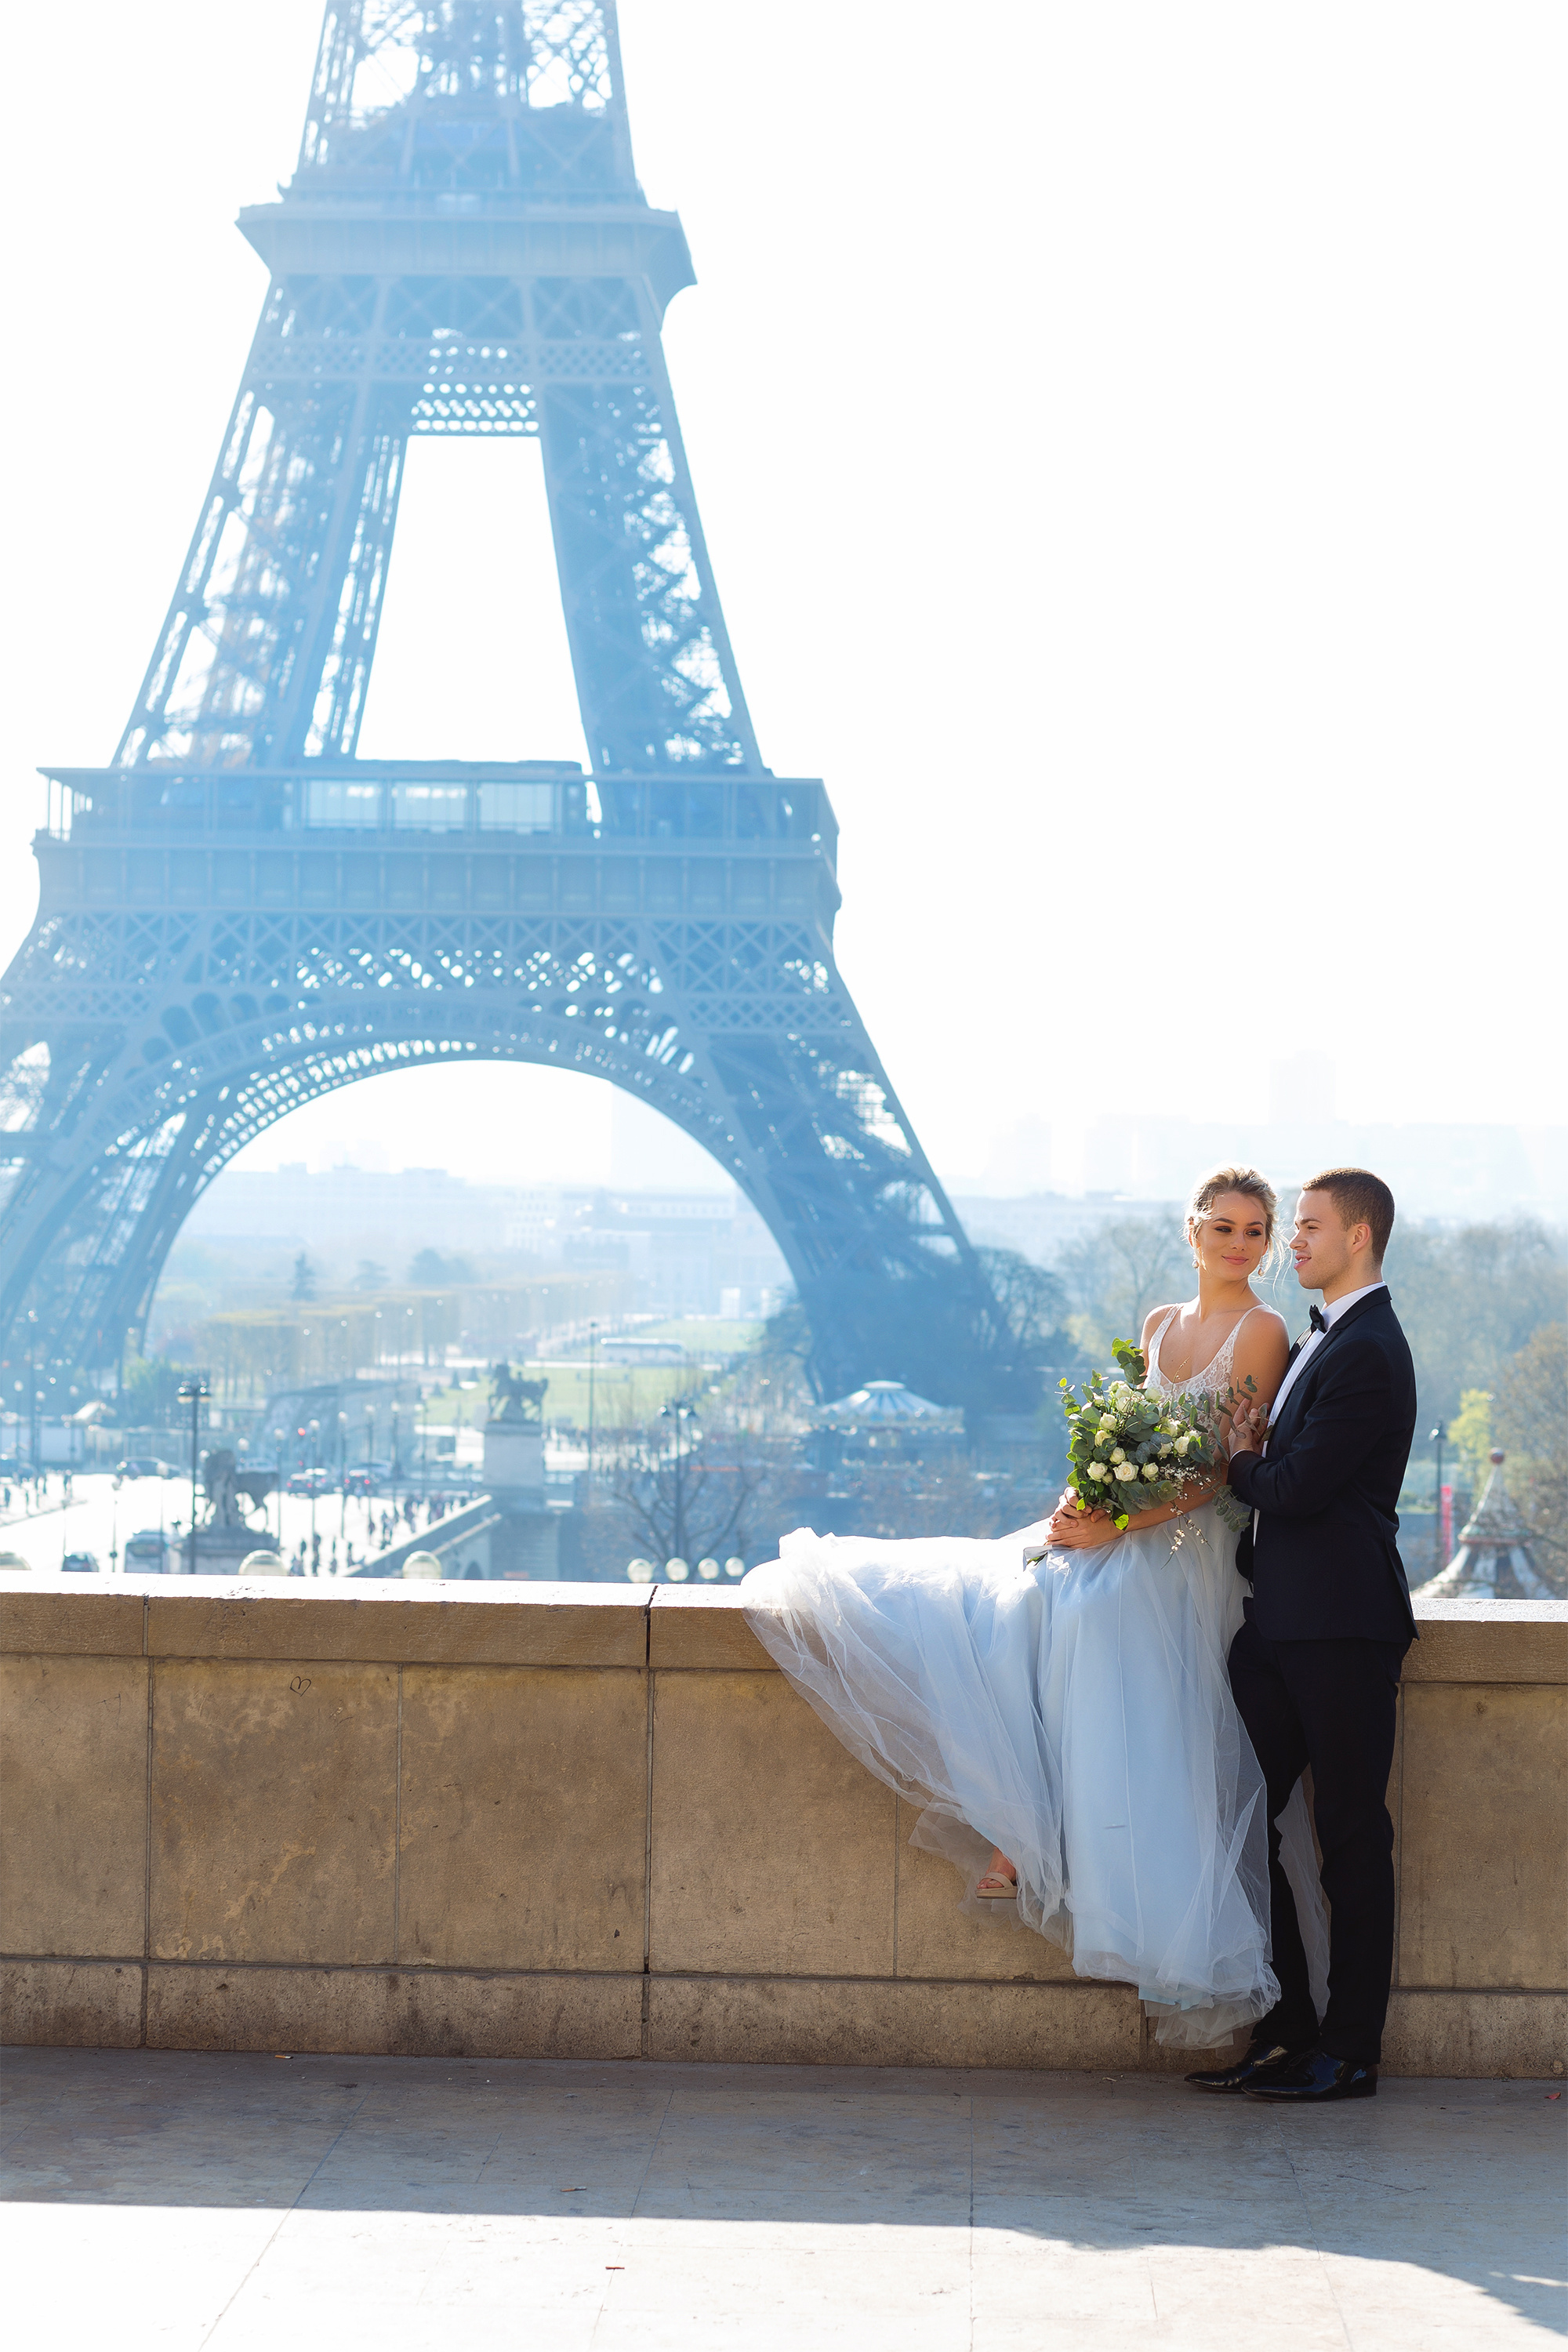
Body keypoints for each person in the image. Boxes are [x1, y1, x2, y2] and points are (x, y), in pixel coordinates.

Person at [744, 1167, 1312, 2048]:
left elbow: (1218, 1471)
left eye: (1255, 1232)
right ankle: (1019, 1827)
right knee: (1014, 1596)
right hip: (1128, 1524)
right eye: (1223, 1228)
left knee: (1083, 1611)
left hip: (1187, 1544)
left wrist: (1116, 1521)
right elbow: (1128, 1440)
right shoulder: (1160, 1324)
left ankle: (1027, 1834)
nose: (1239, 1245)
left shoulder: (1263, 1329)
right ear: (1192, 1231)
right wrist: (1085, 1501)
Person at [1187, 1167, 1417, 2104]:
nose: (1292, 1242)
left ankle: (1349, 2049)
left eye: (1308, 1227)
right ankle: (1285, 2029)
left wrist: (1240, 1455)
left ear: (1357, 1237)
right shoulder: (1328, 1341)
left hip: (1342, 1627)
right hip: (1277, 1623)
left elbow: (1294, 1488)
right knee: (1237, 1816)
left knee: (1349, 1838)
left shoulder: (1368, 1351)